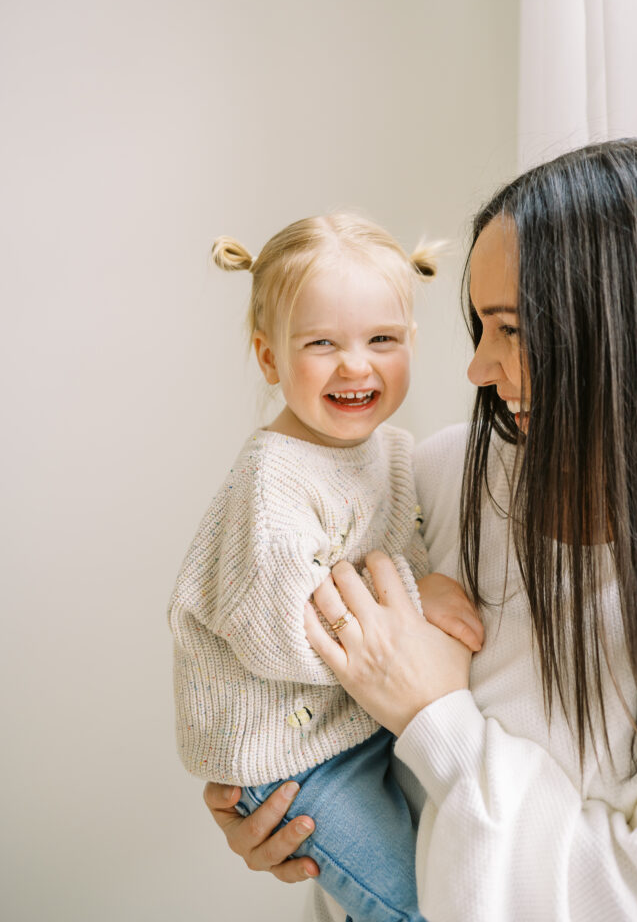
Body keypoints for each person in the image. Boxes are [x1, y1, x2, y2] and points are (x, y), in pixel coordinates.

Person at [205, 138, 637, 922]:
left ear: (628, 332)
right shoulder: (434, 477)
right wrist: (278, 796)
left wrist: (436, 718)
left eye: (514, 329)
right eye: (479, 328)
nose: (477, 370)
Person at [168, 212, 484, 922]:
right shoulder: (270, 482)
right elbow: (283, 631)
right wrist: (417, 596)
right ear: (269, 359)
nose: (355, 365)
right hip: (294, 763)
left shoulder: (395, 452)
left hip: (359, 727)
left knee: (454, 872)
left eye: (382, 340)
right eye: (321, 344)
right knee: (413, 906)